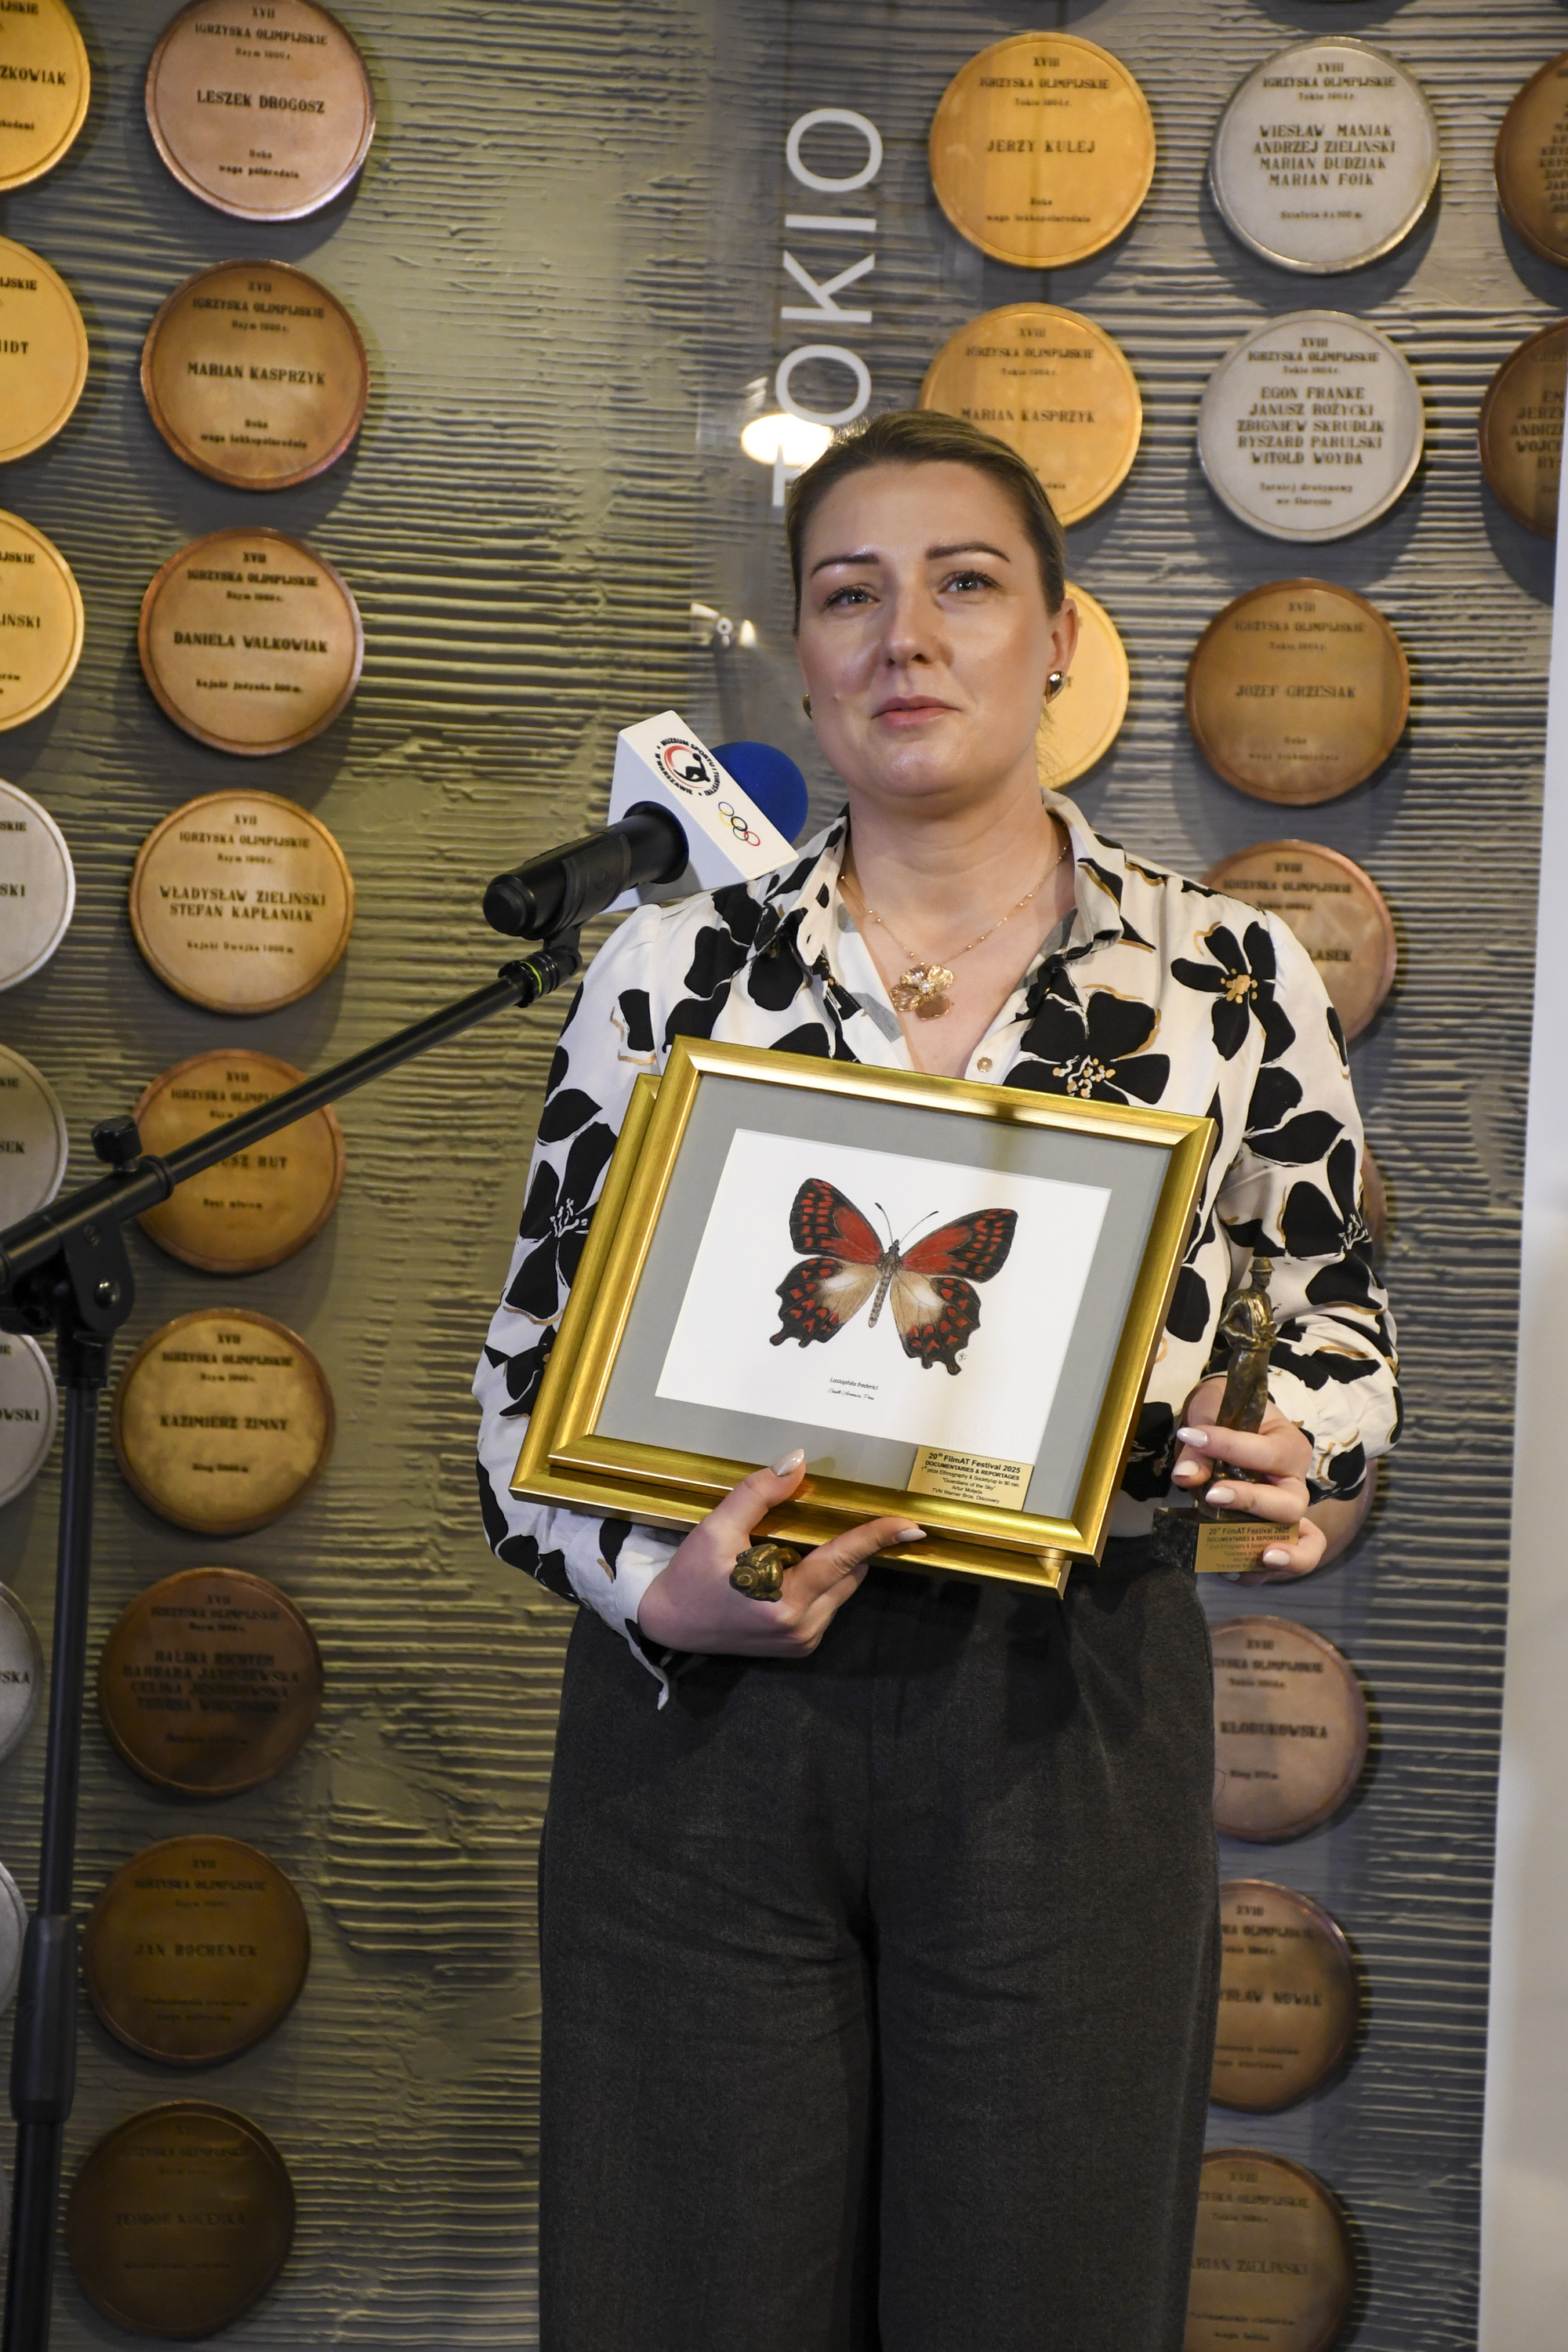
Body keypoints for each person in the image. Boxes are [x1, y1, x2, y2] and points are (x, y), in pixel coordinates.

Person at [474, 410, 1399, 2352]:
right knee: (679, 2295)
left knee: (1038, 2299)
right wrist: (651, 1588)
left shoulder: (1227, 976)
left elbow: (1329, 1320)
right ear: (803, 658)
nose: (905, 634)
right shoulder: (666, 972)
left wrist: (1295, 1451)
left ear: (1056, 639)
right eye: (849, 594)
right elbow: (527, 1381)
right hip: (704, 1715)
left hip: (1067, 1702)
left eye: (963, 584)